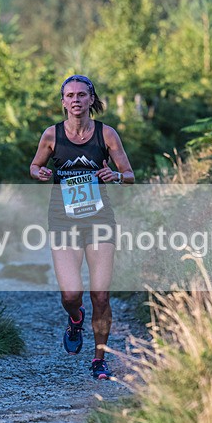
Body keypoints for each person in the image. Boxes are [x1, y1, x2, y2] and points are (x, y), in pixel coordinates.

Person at [29, 74, 134, 380]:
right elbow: (34, 166)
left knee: (100, 295)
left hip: (99, 219)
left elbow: (130, 174)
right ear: (63, 102)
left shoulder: (107, 135)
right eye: (70, 95)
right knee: (71, 295)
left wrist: (116, 177)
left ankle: (99, 359)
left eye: (81, 95)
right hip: (62, 220)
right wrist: (40, 172)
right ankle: (76, 319)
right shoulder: (52, 135)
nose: (75, 100)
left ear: (91, 100)